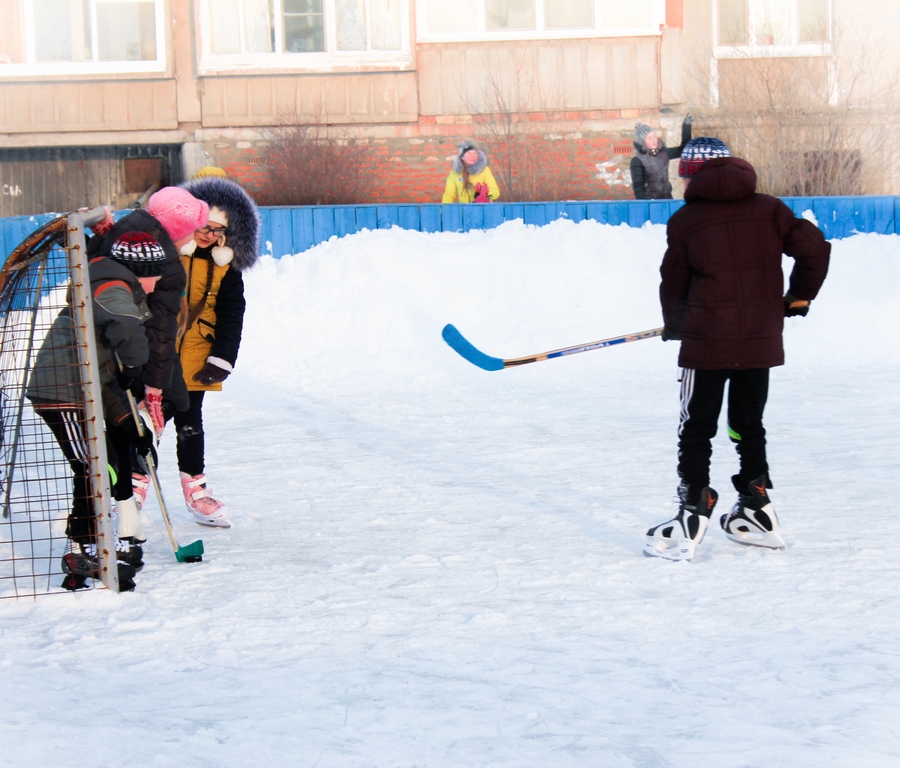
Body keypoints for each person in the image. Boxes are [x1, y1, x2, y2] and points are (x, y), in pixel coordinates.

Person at [644, 137, 831, 561]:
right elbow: (814, 249)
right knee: (747, 423)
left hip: (707, 342)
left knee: (696, 428)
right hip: (759, 341)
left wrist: (676, 325)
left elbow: (672, 281)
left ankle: (693, 509)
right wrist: (798, 296)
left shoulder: (687, 221)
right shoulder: (771, 210)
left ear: (693, 173)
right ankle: (756, 506)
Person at [27, 232, 172, 590]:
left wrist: (131, 425)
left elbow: (107, 374)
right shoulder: (112, 287)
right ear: (142, 270)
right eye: (156, 275)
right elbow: (126, 333)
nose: (157, 284)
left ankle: (109, 538)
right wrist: (138, 367)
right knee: (93, 467)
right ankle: (82, 546)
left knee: (118, 449)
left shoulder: (116, 286)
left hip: (86, 387)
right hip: (61, 392)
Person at [87, 187, 209, 544]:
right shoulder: (166, 262)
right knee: (157, 411)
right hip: (132, 349)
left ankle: (130, 490)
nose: (194, 237)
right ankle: (131, 490)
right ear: (176, 227)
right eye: (192, 229)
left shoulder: (126, 228)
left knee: (145, 417)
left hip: (116, 343)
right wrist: (154, 386)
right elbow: (159, 328)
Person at [138, 176, 260, 529]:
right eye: (203, 227)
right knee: (147, 421)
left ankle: (196, 492)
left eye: (217, 231)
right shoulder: (167, 255)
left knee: (190, 423)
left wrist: (222, 358)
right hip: (155, 352)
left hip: (196, 354)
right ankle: (133, 490)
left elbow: (232, 314)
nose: (208, 235)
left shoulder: (225, 266)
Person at [630, 115, 693, 200]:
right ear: (643, 142)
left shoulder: (664, 153)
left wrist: (686, 127)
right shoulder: (637, 160)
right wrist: (644, 205)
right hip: (650, 202)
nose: (654, 140)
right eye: (649, 138)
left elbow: (683, 150)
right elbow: (638, 186)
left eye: (654, 136)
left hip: (667, 200)